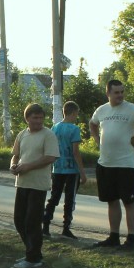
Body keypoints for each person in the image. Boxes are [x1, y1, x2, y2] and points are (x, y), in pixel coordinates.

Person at [89, 79, 134, 251]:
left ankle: (131, 240)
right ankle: (113, 236)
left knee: (129, 202)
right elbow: (92, 123)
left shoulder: (132, 109)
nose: (120, 95)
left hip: (125, 165)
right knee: (111, 201)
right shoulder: (101, 110)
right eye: (116, 92)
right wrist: (97, 139)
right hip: (105, 164)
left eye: (122, 92)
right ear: (108, 93)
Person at [10, 103, 59, 268]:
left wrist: (28, 166)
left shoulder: (48, 135)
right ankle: (31, 252)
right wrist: (13, 165)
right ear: (27, 118)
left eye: (40, 118)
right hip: (22, 182)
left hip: (38, 184)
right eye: (35, 118)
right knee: (19, 220)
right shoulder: (22, 134)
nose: (38, 121)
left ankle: (33, 258)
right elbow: (15, 156)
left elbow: (50, 157)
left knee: (32, 221)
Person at [42, 101, 87, 239]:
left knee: (54, 197)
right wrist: (82, 172)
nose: (76, 117)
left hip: (57, 168)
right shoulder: (74, 129)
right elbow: (75, 152)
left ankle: (46, 225)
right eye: (76, 114)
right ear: (73, 113)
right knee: (69, 198)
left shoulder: (54, 128)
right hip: (71, 170)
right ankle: (66, 227)